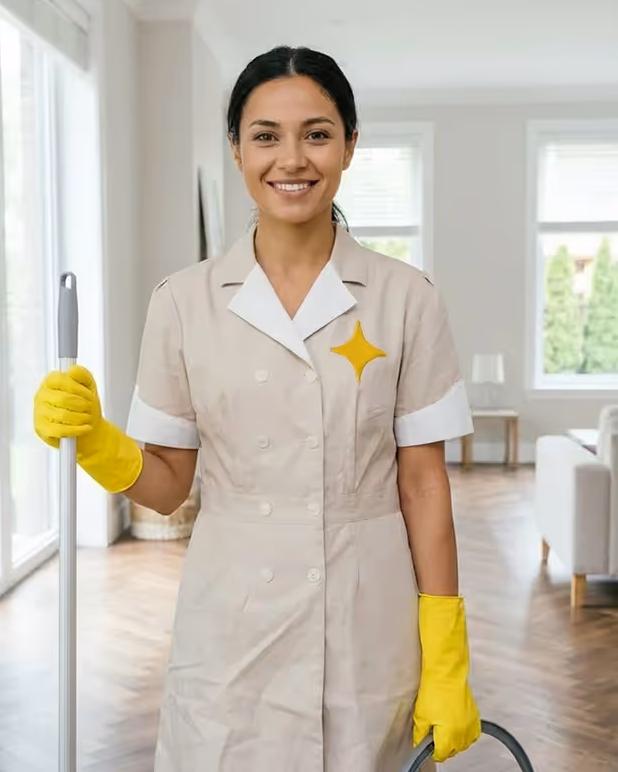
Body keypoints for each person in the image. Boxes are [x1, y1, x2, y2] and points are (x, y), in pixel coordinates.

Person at [34, 45, 481, 772]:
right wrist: (98, 443)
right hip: (229, 627)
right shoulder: (182, 302)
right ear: (237, 149)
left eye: (317, 132)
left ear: (350, 146)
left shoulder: (407, 298)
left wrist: (447, 653)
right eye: (265, 135)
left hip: (367, 621)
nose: (291, 158)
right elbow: (168, 485)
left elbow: (424, 485)